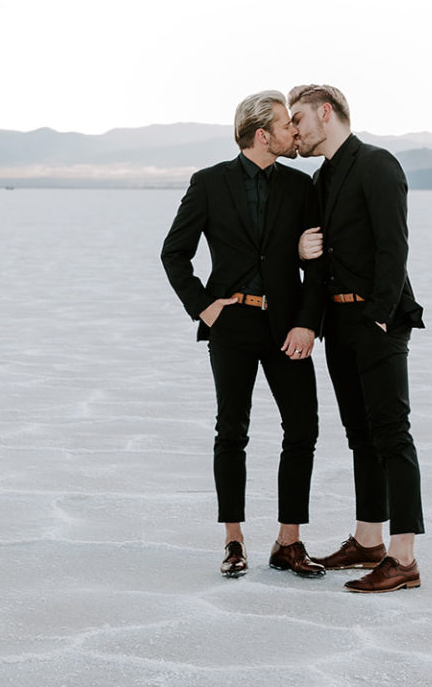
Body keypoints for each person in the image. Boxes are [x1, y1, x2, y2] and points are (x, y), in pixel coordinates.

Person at [161, 91, 326, 579]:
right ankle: (234, 540)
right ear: (262, 134)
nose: (294, 132)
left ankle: (288, 542)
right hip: (232, 325)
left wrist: (307, 322)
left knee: (303, 429)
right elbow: (175, 253)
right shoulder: (209, 183)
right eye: (285, 125)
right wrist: (204, 308)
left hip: (287, 328)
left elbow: (316, 264)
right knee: (231, 432)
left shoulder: (301, 187)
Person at [289, 83, 425, 594]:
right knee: (360, 436)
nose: (294, 130)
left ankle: (403, 556)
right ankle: (368, 541)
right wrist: (301, 252)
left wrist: (380, 316)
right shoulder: (323, 180)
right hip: (338, 324)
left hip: (376, 323)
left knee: (392, 434)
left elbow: (395, 245)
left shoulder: (376, 163)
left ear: (327, 113)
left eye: (299, 118)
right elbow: (324, 259)